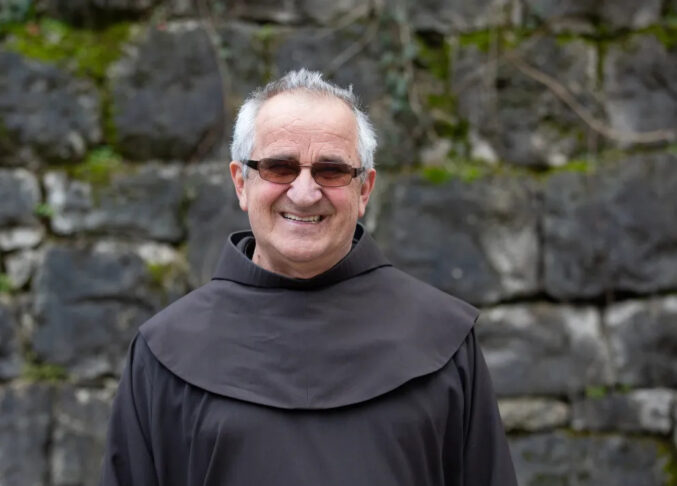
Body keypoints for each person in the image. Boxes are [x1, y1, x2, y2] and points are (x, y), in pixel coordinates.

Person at [100, 69, 518, 486]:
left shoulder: (441, 340)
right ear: (241, 183)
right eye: (279, 167)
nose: (304, 193)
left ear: (364, 190)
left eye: (330, 170)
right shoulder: (166, 351)